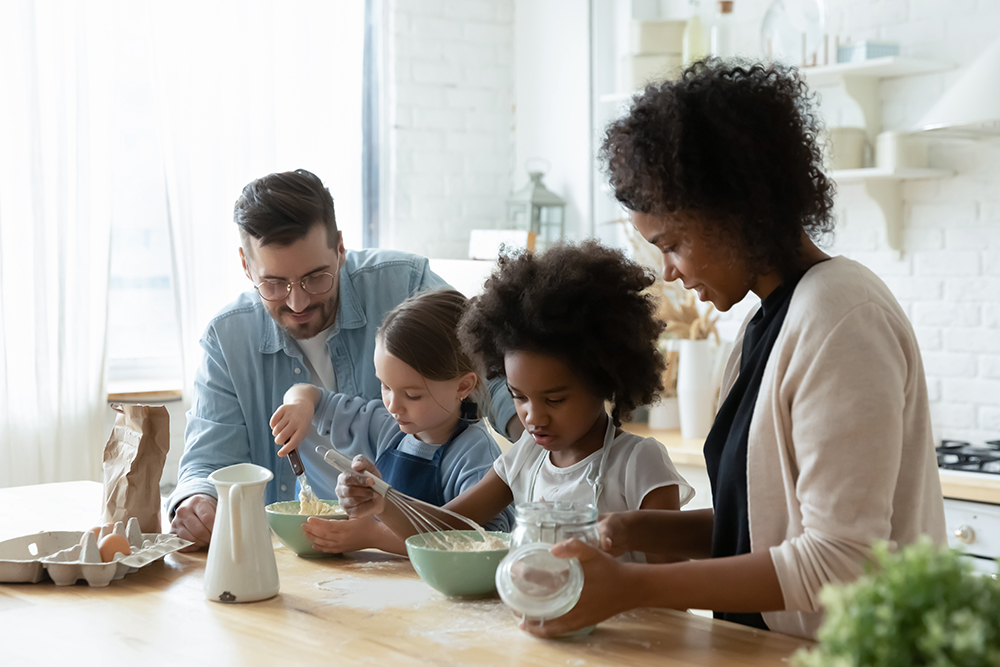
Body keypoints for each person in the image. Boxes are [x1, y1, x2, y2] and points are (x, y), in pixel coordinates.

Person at [514, 59, 947, 640]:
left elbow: (839, 564)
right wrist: (639, 531)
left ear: (738, 209)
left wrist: (631, 588)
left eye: (672, 243)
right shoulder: (765, 325)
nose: (667, 271)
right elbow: (769, 528)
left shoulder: (843, 318)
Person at [167, 169, 520, 550]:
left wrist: (535, 433)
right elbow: (208, 462)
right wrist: (197, 502)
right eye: (274, 284)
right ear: (246, 266)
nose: (297, 302)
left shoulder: (405, 284)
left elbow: (494, 369)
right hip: (300, 560)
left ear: (339, 248)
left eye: (316, 277)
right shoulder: (226, 338)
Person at [335, 241, 694, 564]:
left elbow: (673, 594)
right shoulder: (527, 456)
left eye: (554, 399)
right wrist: (382, 500)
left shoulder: (639, 464)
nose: (533, 417)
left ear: (606, 381)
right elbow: (444, 529)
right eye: (518, 396)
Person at [269, 289, 513, 555]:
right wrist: (299, 405)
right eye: (385, 386)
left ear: (463, 386)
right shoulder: (386, 427)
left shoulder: (474, 454)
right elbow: (311, 395)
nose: (393, 405)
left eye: (412, 395)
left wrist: (374, 535)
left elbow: (486, 542)